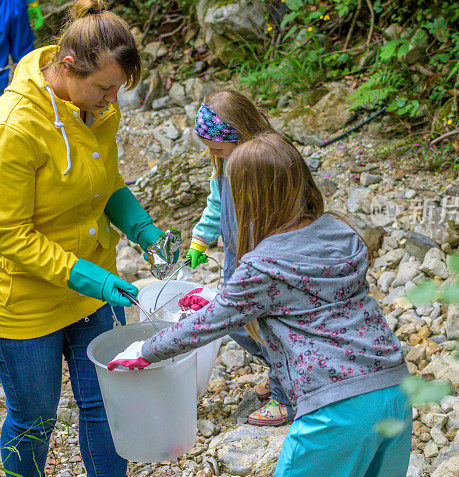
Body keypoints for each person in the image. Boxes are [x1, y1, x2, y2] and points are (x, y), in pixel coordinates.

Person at [110, 132, 412, 477]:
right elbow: (305, 299)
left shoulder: (262, 265)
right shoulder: (341, 232)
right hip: (394, 389)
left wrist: (145, 350)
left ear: (249, 199)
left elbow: (208, 325)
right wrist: (217, 297)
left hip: (335, 406)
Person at [0, 0, 170, 477]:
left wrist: (143, 229)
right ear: (68, 64)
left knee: (104, 401)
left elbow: (105, 183)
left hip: (90, 282)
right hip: (21, 297)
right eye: (104, 87)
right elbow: (9, 235)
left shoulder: (95, 108)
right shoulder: (10, 130)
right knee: (35, 418)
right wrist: (94, 280)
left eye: (118, 89)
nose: (112, 100)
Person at [185, 90, 293, 426]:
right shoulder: (223, 165)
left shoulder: (264, 166)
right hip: (235, 255)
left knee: (265, 325)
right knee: (237, 324)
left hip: (260, 257)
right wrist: (200, 241)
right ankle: (282, 369)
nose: (211, 154)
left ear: (241, 137)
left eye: (216, 148)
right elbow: (217, 205)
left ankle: (287, 393)